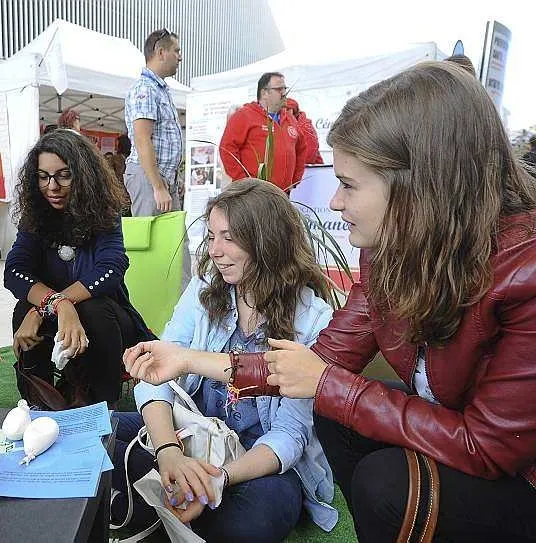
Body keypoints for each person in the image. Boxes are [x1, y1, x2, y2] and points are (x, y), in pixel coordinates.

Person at [127, 62, 536, 542]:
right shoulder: (389, 255)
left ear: (421, 186)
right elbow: (318, 365)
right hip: (454, 435)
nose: (336, 202)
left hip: (513, 471)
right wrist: (184, 363)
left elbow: (488, 446)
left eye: (349, 184)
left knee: (381, 480)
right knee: (333, 414)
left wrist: (326, 387)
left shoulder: (523, 272)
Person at [113, 180, 338, 542]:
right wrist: (169, 452)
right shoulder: (205, 287)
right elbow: (157, 376)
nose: (215, 251)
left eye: (229, 238)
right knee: (100, 433)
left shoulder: (314, 319)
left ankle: (158, 503)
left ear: (267, 241)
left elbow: (289, 435)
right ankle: (172, 496)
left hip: (255, 461)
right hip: (193, 433)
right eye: (211, 236)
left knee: (257, 520)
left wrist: (218, 479)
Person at [3, 129, 153, 408]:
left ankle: (101, 406)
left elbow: (111, 269)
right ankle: (38, 404)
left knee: (93, 309)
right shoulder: (34, 216)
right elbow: (14, 271)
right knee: (24, 310)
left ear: (83, 175)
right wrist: (57, 305)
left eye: (64, 175)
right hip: (53, 315)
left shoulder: (105, 212)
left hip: (107, 320)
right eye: (43, 176)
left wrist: (54, 305)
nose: (52, 186)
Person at [124, 29, 183, 216]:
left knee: (171, 234)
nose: (180, 57)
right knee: (150, 234)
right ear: (161, 53)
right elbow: (142, 139)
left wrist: (172, 179)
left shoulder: (159, 89)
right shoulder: (145, 88)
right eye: (176, 51)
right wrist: (157, 186)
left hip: (159, 178)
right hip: (149, 178)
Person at [219, 72, 306, 191]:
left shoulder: (290, 119)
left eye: (285, 89)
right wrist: (243, 181)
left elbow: (301, 149)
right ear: (264, 93)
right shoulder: (244, 115)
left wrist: (295, 179)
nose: (284, 93)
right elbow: (227, 149)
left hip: (283, 193)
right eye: (279, 89)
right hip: (253, 193)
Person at [285, 97, 324, 165]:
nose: (284, 113)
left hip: (310, 168)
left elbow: (309, 155)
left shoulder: (304, 127)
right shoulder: (287, 126)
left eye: (288, 109)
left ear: (294, 111)